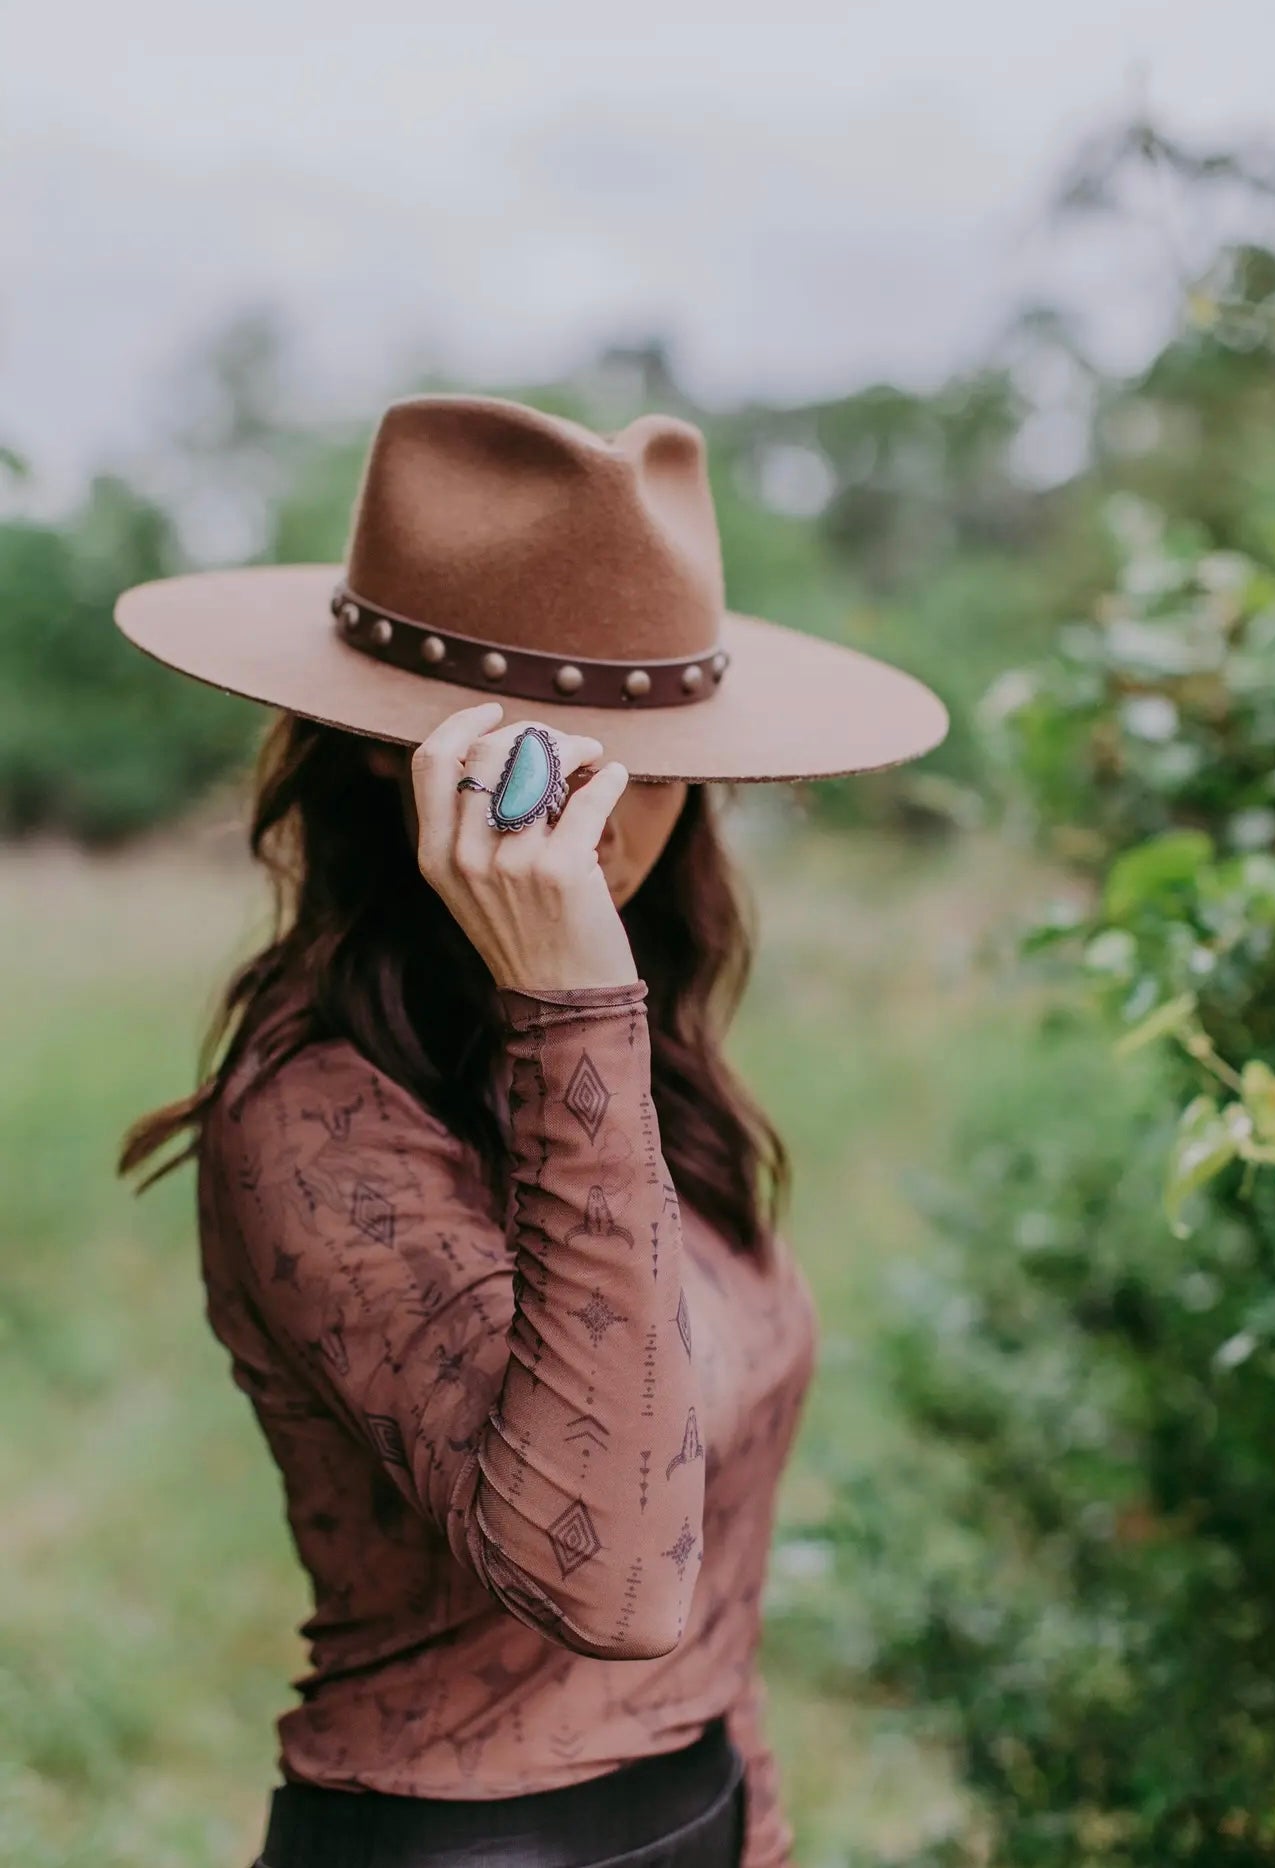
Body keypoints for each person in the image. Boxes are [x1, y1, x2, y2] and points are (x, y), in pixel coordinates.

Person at [114, 393, 947, 1868]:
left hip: (696, 1815)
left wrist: (754, 1821)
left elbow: (710, 1545)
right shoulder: (313, 1111)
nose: (616, 800)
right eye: (565, 743)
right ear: (397, 754)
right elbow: (614, 1581)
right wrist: (566, 994)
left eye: (658, 740)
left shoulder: (639, 1062)